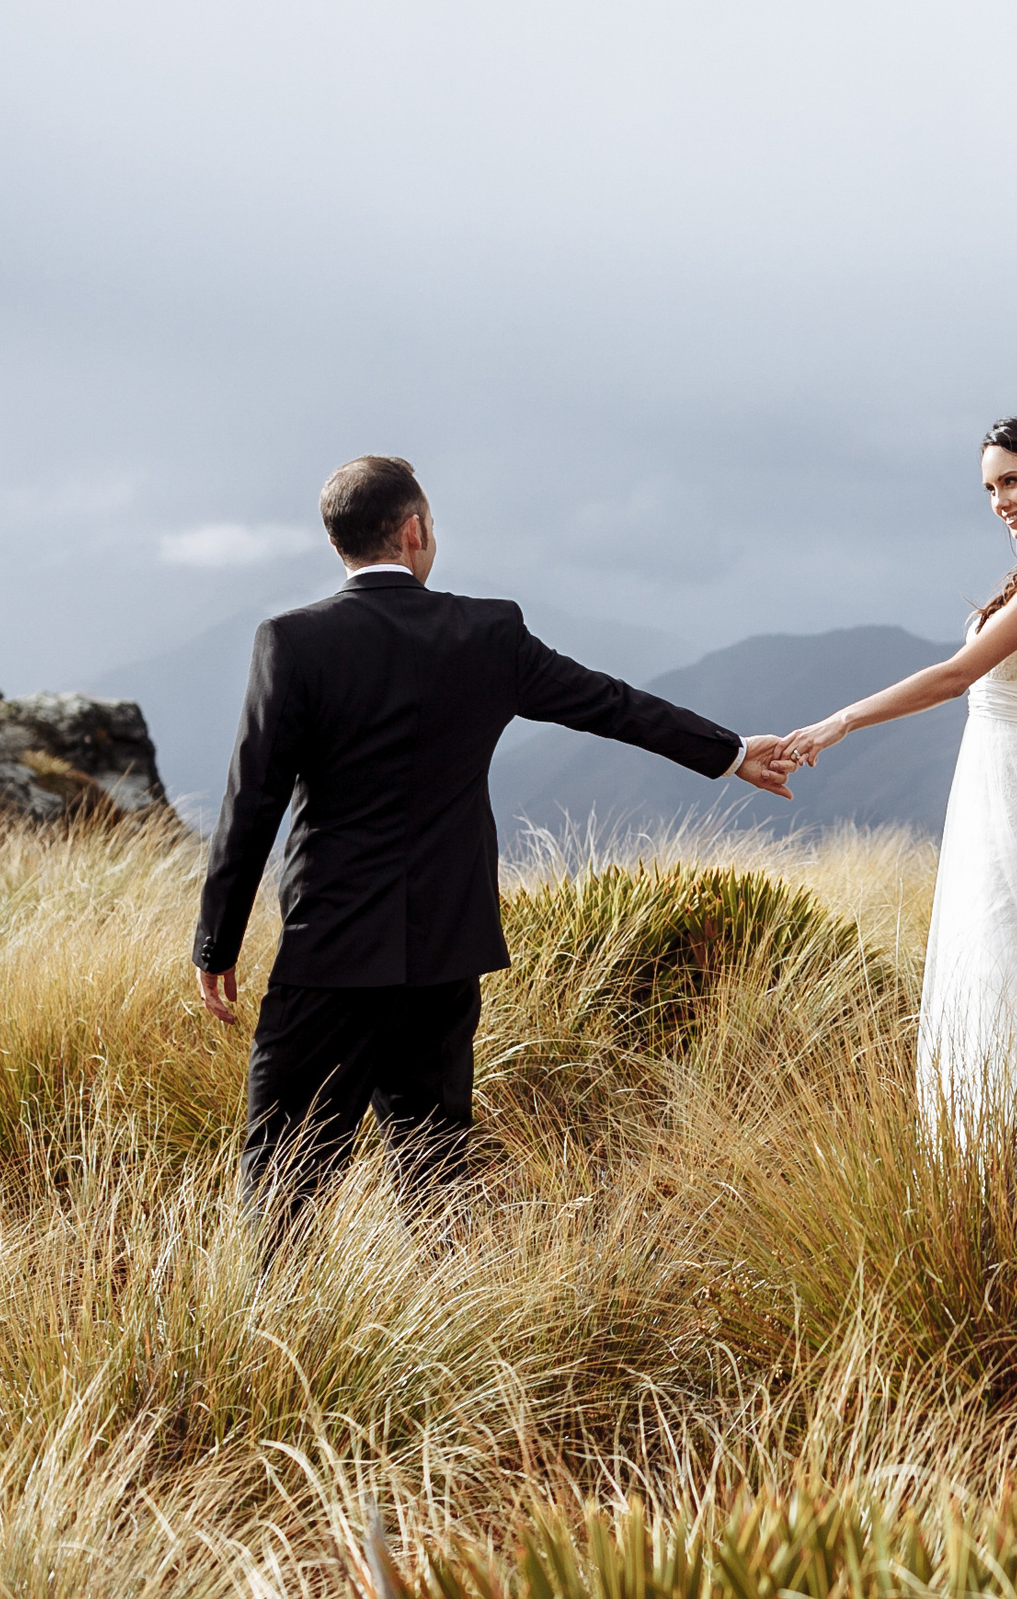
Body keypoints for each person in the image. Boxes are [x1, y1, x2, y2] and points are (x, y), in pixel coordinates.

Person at [192, 455, 797, 1221]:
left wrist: (217, 941)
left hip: (332, 946)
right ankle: (452, 1331)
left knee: (284, 1173)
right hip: (447, 947)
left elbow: (253, 799)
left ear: (338, 541)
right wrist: (732, 751)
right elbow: (610, 703)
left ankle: (273, 1331)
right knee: (437, 1169)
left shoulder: (292, 642)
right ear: (412, 531)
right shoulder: (487, 633)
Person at [784, 412, 1017, 1128]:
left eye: (1011, 480)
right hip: (999, 779)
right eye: (989, 488)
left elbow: (957, 676)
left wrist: (843, 720)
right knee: (1001, 952)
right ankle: (1010, 1136)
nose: (999, 501)